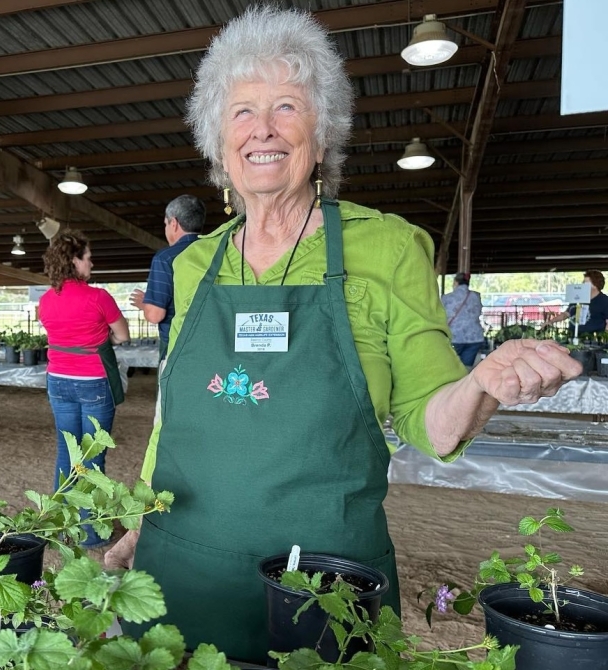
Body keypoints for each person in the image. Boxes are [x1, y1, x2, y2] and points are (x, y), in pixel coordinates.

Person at [103, 8, 580, 664]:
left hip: (322, 584)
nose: (262, 129)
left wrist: (480, 385)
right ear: (219, 144)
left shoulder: (386, 248)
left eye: (287, 106)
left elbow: (430, 422)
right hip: (182, 570)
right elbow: (173, 416)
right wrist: (140, 516)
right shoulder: (191, 264)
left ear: (322, 136)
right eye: (241, 112)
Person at [39, 230, 130, 548]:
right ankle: (90, 533)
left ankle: (57, 528)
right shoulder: (99, 297)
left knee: (66, 452)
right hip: (93, 382)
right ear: (74, 260)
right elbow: (123, 336)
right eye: (88, 258)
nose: (91, 263)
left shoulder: (46, 300)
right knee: (92, 457)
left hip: (58, 381)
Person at [129, 194, 206, 421]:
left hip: (176, 345)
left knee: (170, 410)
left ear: (174, 223)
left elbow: (155, 314)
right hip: (211, 341)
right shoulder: (214, 252)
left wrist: (145, 303)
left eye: (165, 224)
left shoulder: (166, 258)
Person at [545, 270, 608, 335]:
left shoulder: (605, 301)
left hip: (594, 341)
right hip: (573, 338)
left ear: (595, 285)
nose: (582, 285)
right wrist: (551, 321)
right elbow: (566, 314)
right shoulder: (578, 297)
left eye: (585, 283)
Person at [442, 273, 485, 367]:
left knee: (451, 367)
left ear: (456, 282)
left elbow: (441, 315)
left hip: (454, 336)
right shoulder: (476, 296)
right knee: (466, 368)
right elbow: (479, 312)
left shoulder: (446, 298)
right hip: (474, 337)